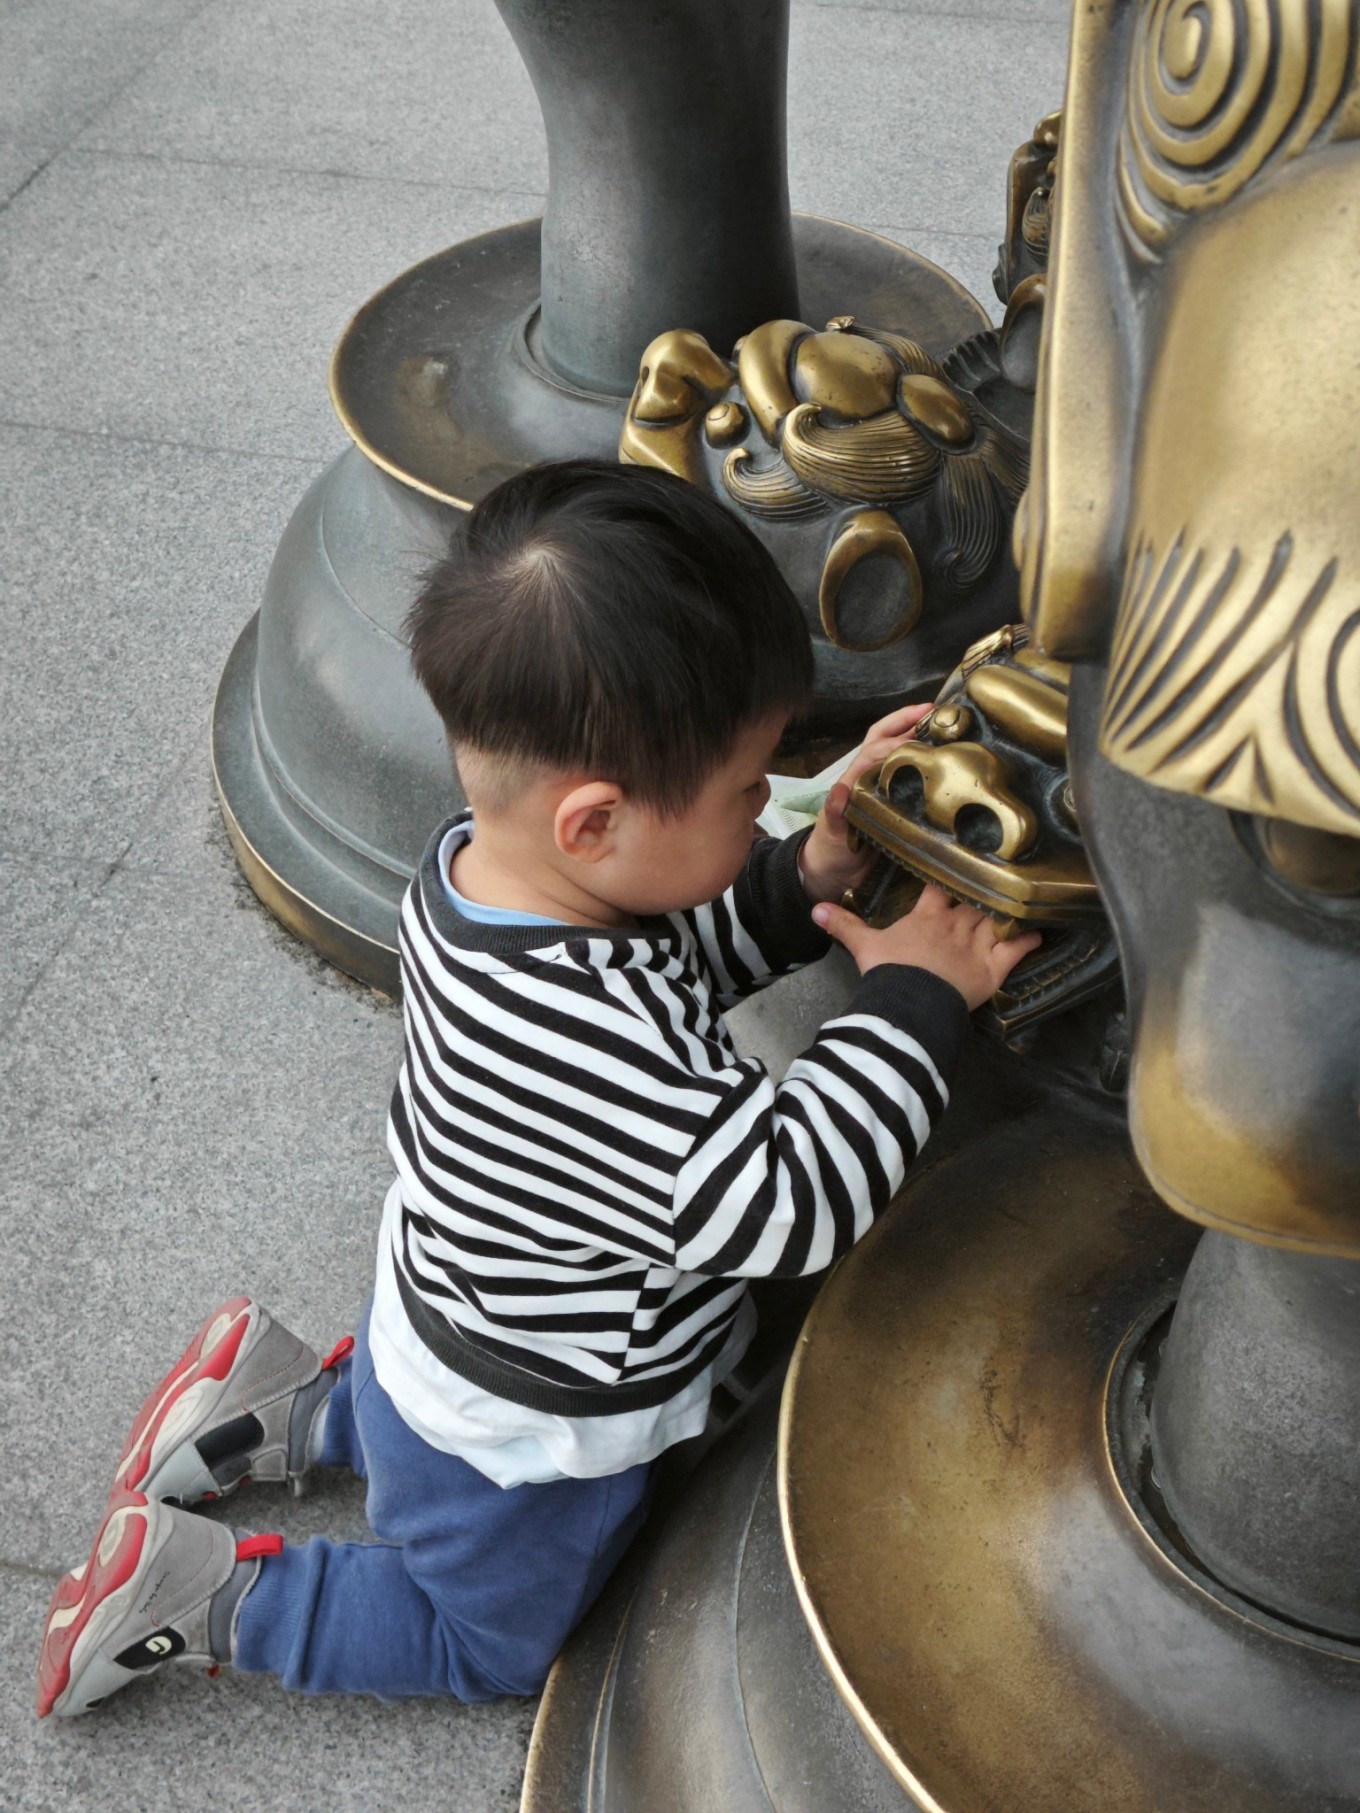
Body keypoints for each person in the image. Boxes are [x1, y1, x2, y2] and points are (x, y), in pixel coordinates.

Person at [36, 460, 1038, 1717]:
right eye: (749, 790)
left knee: (409, 1407)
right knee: (491, 1648)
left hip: (455, 1306)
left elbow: (677, 947)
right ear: (595, 822)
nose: (766, 803)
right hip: (522, 1434)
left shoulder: (481, 878)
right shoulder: (582, 1046)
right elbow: (784, 1201)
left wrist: (802, 871)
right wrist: (915, 998)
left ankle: (283, 1405)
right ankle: (204, 1591)